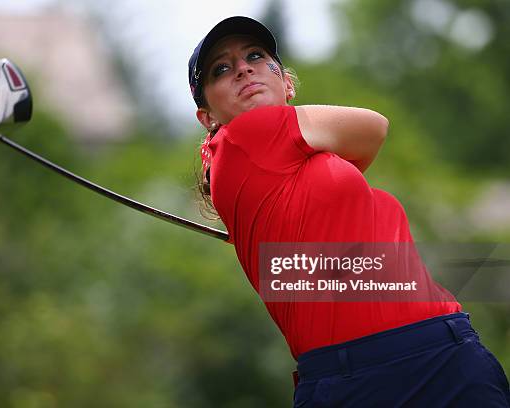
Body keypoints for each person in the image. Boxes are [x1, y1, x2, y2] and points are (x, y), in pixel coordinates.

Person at [188, 16, 510, 407]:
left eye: (255, 56)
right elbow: (373, 127)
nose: (243, 68)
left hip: (438, 354)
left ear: (285, 81)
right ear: (207, 118)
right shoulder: (243, 135)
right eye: (222, 69)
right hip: (364, 378)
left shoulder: (290, 163)